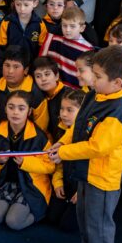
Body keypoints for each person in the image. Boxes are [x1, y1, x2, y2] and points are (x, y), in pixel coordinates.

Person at [49, 45, 122, 243]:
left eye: (98, 76)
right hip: (87, 172)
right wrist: (62, 142)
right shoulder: (94, 94)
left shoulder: (117, 114)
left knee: (98, 224)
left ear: (117, 83)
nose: (92, 79)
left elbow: (96, 147)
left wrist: (65, 153)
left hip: (103, 180)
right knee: (84, 217)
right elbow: (79, 127)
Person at [0, 91, 55, 230]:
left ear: (29, 111)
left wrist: (25, 163)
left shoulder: (39, 136)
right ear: (5, 109)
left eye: (21, 108)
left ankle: (37, 213)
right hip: (6, 183)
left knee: (13, 222)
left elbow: (50, 166)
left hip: (31, 186)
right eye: (11, 107)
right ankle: (13, 205)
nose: (15, 112)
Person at [48, 87, 85, 231]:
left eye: (70, 110)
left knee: (67, 226)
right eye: (62, 109)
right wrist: (57, 183)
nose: (63, 114)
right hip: (66, 181)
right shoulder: (60, 129)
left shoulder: (85, 134)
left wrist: (82, 191)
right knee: (52, 217)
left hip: (81, 185)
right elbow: (59, 163)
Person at [0, 0, 46, 75]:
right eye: (18, 4)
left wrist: (35, 70)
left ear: (35, 3)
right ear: (14, 2)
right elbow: (0, 49)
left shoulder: (40, 24)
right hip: (10, 70)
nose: (22, 9)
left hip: (31, 71)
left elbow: (41, 52)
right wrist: (0, 71)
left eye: (26, 5)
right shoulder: (7, 22)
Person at [39, 6, 93, 89]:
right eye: (64, 25)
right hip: (53, 89)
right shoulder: (54, 40)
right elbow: (42, 63)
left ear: (82, 28)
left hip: (75, 93)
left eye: (72, 26)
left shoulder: (87, 49)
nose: (67, 30)